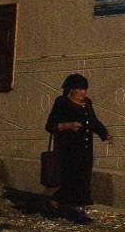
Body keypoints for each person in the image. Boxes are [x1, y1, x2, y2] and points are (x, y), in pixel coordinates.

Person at [45, 73, 111, 222]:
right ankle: (71, 209)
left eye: (85, 89)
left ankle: (69, 206)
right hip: (68, 148)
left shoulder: (87, 103)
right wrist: (69, 125)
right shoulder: (62, 102)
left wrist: (104, 133)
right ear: (72, 89)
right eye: (80, 89)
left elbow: (93, 121)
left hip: (85, 148)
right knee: (71, 178)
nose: (83, 93)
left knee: (83, 178)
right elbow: (50, 125)